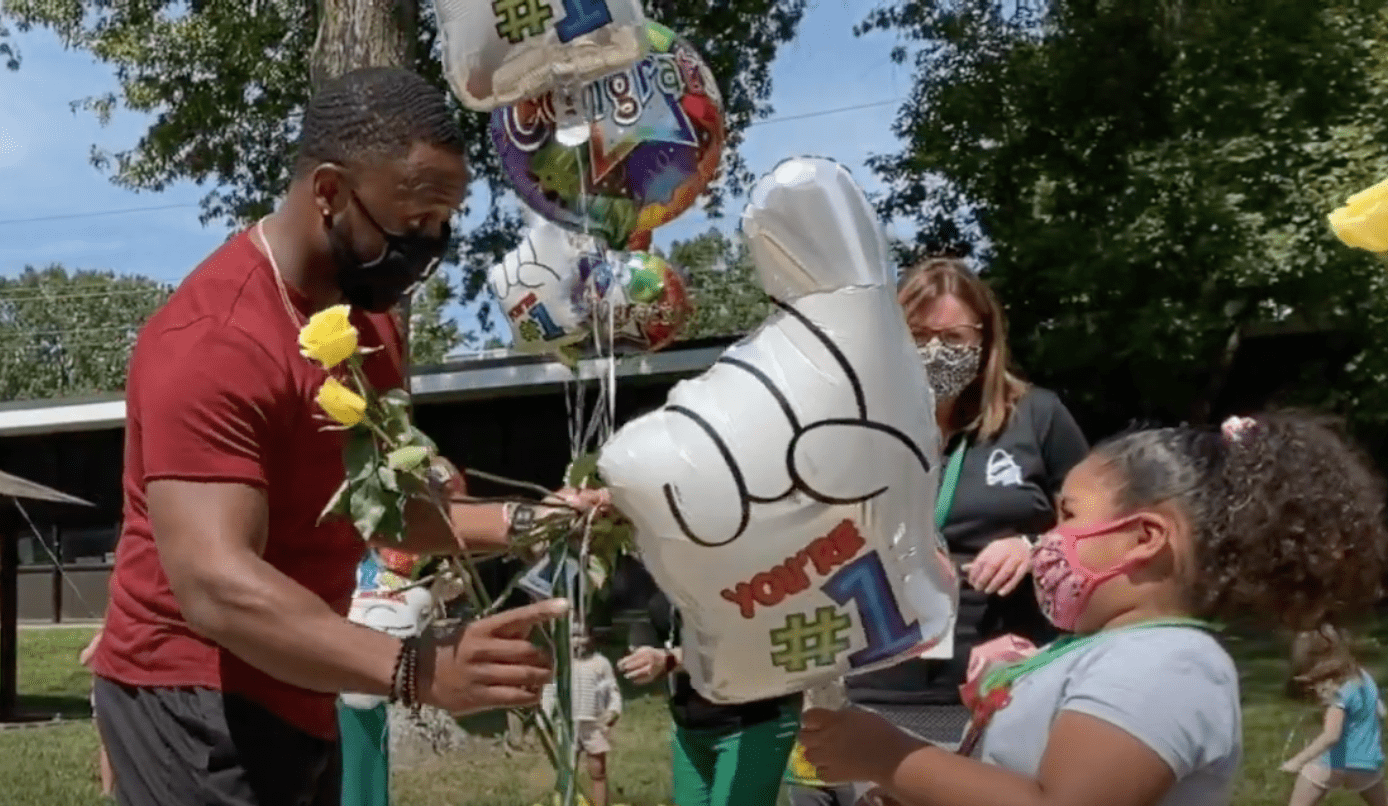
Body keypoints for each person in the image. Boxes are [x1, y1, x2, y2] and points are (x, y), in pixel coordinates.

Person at [88, 66, 605, 806]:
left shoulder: (369, 323)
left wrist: (538, 520)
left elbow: (383, 508)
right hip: (192, 699)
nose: (429, 245)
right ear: (328, 192)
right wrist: (417, 671)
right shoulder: (214, 341)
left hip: (303, 675)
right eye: (414, 220)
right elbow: (215, 586)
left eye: (444, 224)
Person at [799, 412, 1388, 806]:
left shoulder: (1170, 662)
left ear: (1145, 538)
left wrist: (890, 755)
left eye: (1068, 515)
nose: (1049, 539)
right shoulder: (1117, 651)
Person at [787, 257, 1088, 806]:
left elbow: (1095, 527)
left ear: (985, 338)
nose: (935, 352)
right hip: (865, 685)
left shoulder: (1036, 417)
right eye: (918, 336)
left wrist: (1033, 545)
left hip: (996, 692)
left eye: (953, 337)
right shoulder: (849, 425)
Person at [620, 586, 801, 806]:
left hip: (755, 721)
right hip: (692, 725)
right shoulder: (670, 567)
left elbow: (750, 643)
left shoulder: (743, 568)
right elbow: (656, 620)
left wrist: (670, 660)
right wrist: (642, 644)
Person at [1281, 624, 1387, 806]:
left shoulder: (1338, 690)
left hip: (1332, 761)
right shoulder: (1366, 679)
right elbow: (1381, 712)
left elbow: (1331, 735)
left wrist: (1297, 761)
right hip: (1366, 762)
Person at [541, 628, 623, 806]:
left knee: (598, 770)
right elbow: (549, 690)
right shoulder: (560, 663)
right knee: (566, 771)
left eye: (581, 635)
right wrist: (546, 717)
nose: (577, 641)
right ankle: (567, 801)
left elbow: (613, 690)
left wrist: (613, 710)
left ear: (590, 636)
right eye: (572, 636)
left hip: (594, 724)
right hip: (567, 724)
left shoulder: (600, 663)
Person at [78, 626, 115, 798]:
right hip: (107, 693)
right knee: (107, 744)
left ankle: (110, 790)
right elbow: (84, 659)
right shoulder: (105, 635)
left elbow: (84, 660)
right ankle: (107, 790)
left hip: (114, 693)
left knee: (108, 744)